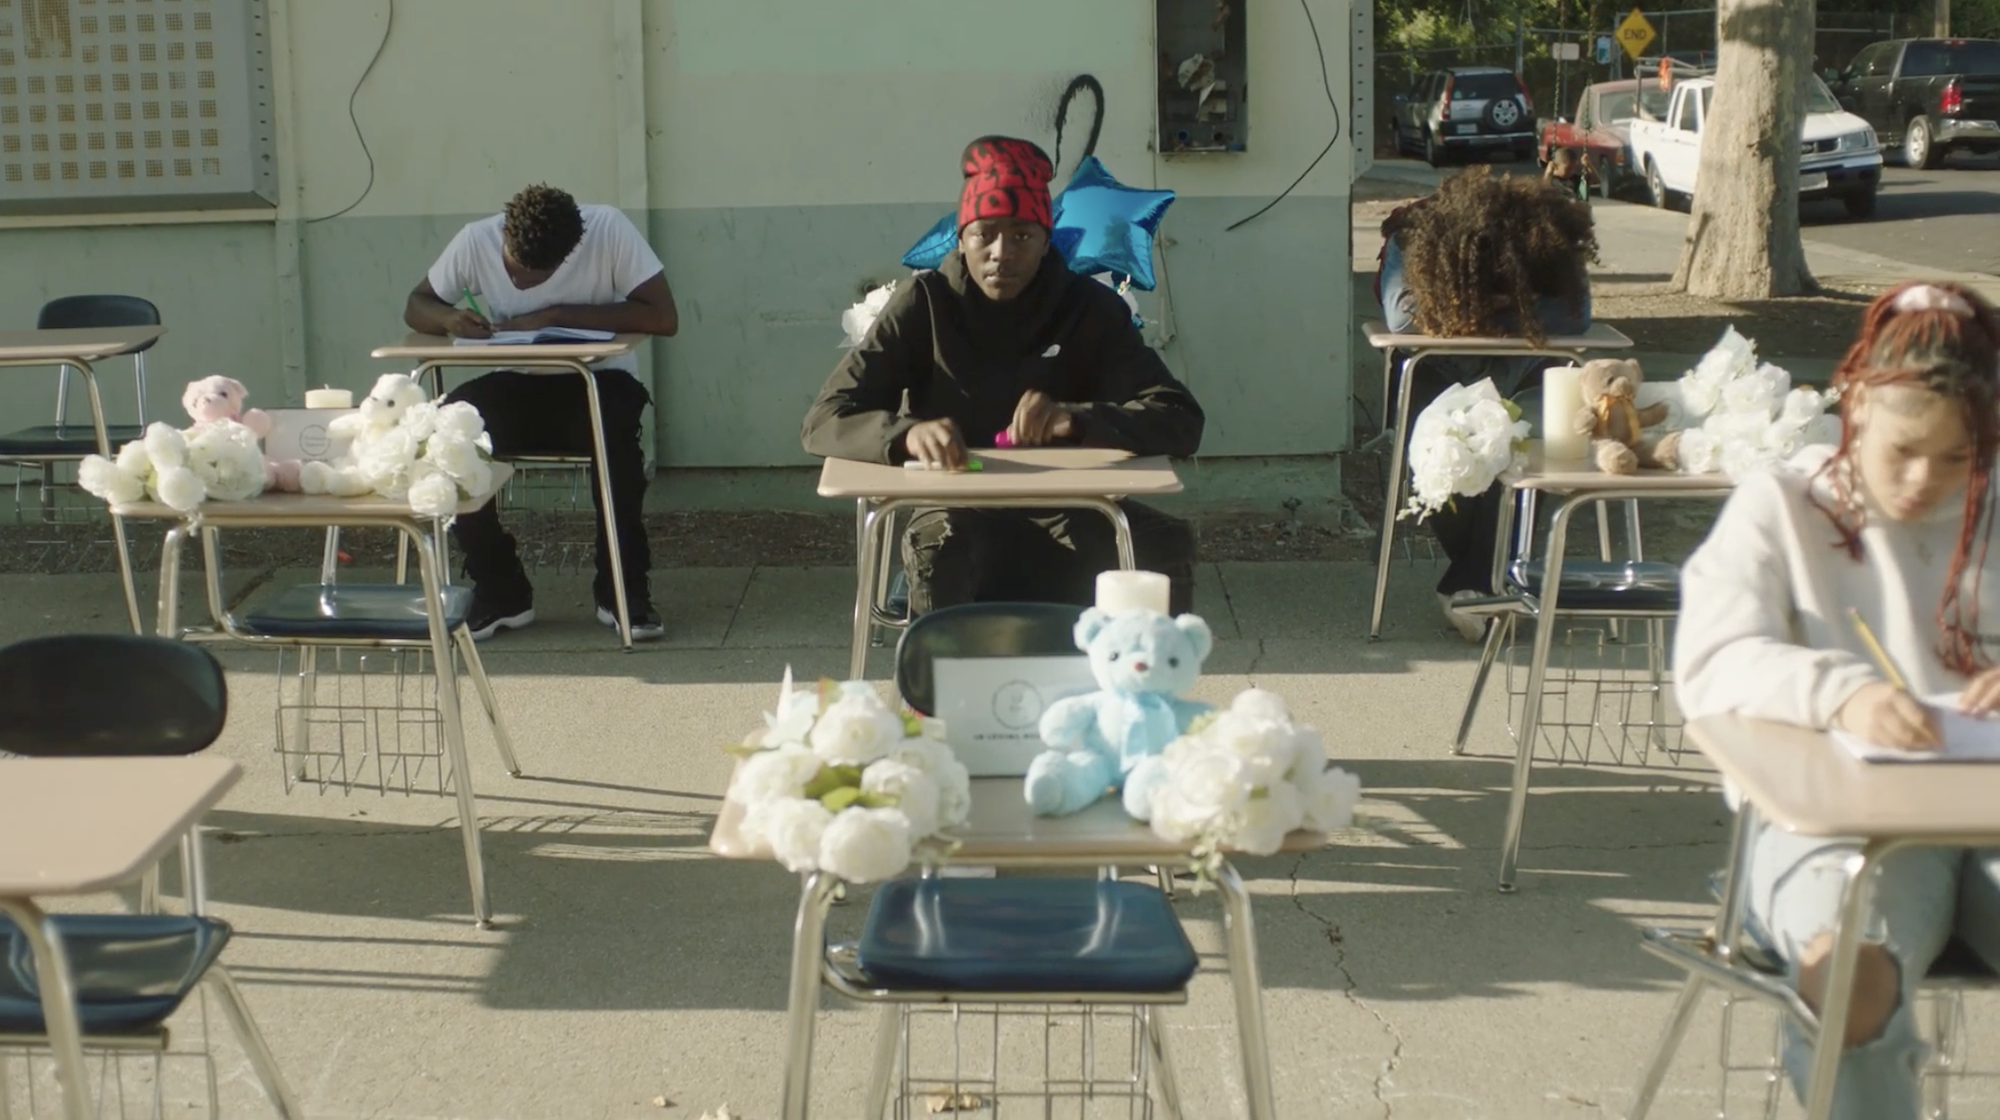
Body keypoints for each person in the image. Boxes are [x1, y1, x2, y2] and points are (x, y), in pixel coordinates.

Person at [1676, 280, 2000, 1120]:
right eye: (1902, 451)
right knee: (1847, 974)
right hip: (1842, 833)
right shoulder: (1782, 506)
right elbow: (1711, 662)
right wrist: (1841, 693)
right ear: (1854, 405)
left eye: (1960, 459)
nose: (1927, 481)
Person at [801, 136, 1204, 616]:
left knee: (1162, 544)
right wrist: (907, 436)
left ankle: (1140, 689)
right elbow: (825, 419)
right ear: (962, 237)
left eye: (1022, 235)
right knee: (940, 547)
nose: (1001, 252)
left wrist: (1075, 421)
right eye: (984, 234)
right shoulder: (924, 303)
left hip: (1070, 507)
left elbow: (1180, 418)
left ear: (1045, 240)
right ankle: (937, 691)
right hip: (956, 508)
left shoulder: (1089, 309)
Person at [404, 184, 679, 641]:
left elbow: (663, 317)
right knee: (449, 434)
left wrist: (556, 315)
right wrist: (450, 319)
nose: (525, 283)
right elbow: (417, 305)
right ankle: (501, 590)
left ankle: (621, 592)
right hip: (519, 384)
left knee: (618, 456)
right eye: (518, 270)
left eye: (541, 275)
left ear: (572, 251)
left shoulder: (608, 228)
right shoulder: (476, 240)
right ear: (504, 236)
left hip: (598, 383)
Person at [1377, 164, 1597, 639]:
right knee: (1442, 455)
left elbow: (1575, 314)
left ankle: (1473, 585)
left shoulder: (1543, 240)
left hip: (1519, 372)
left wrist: (1472, 308)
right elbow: (1403, 317)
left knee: (1524, 453)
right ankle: (1483, 583)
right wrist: (1514, 309)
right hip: (1439, 372)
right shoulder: (1412, 233)